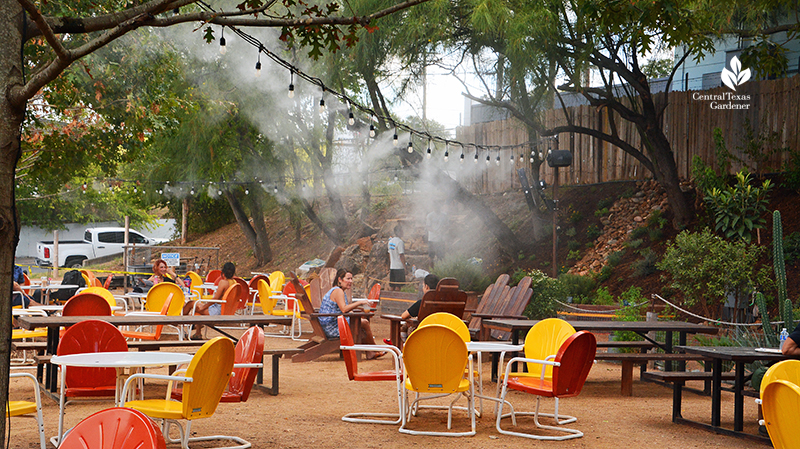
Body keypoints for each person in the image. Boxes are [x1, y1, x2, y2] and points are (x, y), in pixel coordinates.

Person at [318, 269, 384, 359]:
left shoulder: (340, 291)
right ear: (340, 279)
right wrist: (360, 302)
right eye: (348, 279)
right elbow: (344, 309)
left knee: (360, 324)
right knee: (364, 323)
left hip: (334, 323)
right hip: (332, 328)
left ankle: (370, 353)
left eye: (351, 279)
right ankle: (375, 349)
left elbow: (344, 309)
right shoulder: (338, 291)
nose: (350, 281)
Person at [182, 262, 235, 339]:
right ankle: (198, 334)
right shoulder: (234, 283)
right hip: (226, 310)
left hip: (217, 311)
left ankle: (179, 323)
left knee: (191, 303)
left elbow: (215, 299)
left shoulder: (223, 282)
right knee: (197, 311)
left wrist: (204, 307)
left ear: (223, 272)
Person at [386, 273, 439, 344]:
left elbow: (403, 316)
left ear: (426, 287)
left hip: (422, 335)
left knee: (405, 327)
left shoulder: (422, 303)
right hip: (441, 334)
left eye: (423, 286)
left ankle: (404, 347)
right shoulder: (446, 304)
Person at [387, 225, 407, 291]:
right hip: (399, 267)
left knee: (392, 286)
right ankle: (396, 300)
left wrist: (390, 265)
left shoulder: (390, 241)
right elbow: (401, 255)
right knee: (398, 286)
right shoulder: (400, 242)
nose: (403, 232)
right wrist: (405, 267)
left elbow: (389, 254)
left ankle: (390, 299)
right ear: (399, 232)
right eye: (402, 230)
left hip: (392, 267)